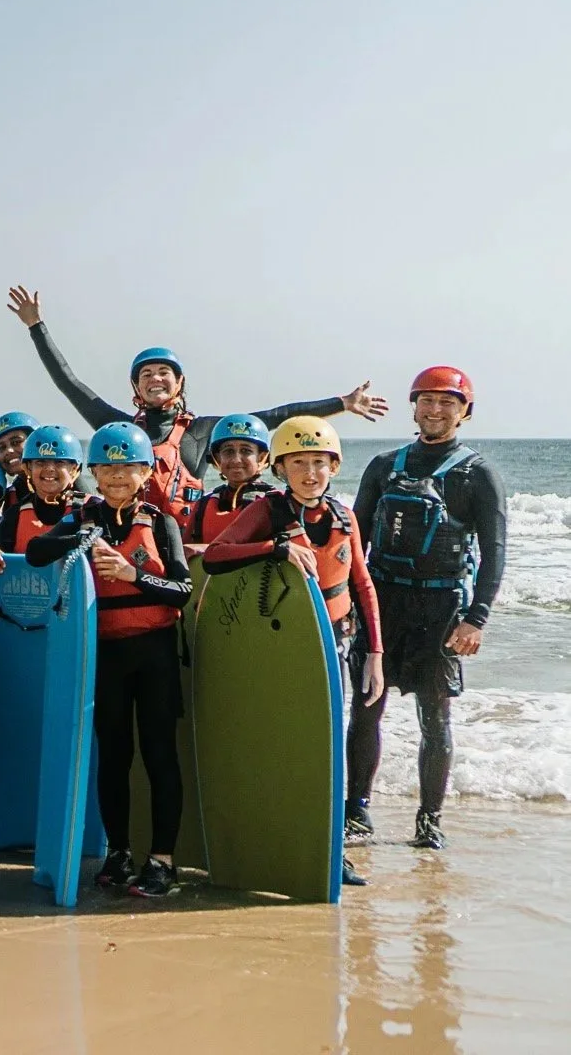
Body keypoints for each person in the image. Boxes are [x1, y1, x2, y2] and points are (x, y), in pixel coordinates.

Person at [4, 285, 388, 527]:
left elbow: (273, 416)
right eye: (146, 374)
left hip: (187, 548)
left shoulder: (203, 430)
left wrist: (343, 403)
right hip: (128, 539)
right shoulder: (119, 429)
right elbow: (70, 384)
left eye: (164, 372)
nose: (155, 379)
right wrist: (36, 327)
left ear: (179, 382)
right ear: (136, 386)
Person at [201, 416, 385, 887]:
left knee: (329, 747)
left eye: (319, 463)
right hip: (284, 645)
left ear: (333, 466)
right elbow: (216, 556)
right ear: (280, 467)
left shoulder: (345, 516)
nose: (310, 473)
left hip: (338, 642)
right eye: (298, 463)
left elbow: (362, 582)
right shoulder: (267, 509)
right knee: (284, 743)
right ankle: (270, 837)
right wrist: (274, 546)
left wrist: (376, 653)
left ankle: (331, 850)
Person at [25, 422, 193, 898]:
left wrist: (130, 572)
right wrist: (82, 538)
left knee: (160, 756)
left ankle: (162, 860)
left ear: (145, 472)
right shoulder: (83, 516)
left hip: (155, 654)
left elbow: (181, 590)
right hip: (106, 654)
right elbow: (37, 552)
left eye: (128, 468)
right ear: (94, 472)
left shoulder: (162, 523)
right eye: (108, 468)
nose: (118, 477)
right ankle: (118, 852)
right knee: (114, 757)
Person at [348, 367, 507, 849]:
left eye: (448, 402)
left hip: (441, 610)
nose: (436, 410)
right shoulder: (383, 465)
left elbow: (496, 550)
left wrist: (475, 618)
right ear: (413, 406)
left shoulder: (478, 474)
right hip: (383, 604)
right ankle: (357, 811)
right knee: (365, 711)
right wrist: (351, 604)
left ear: (465, 412)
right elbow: (353, 540)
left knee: (435, 720)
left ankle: (429, 818)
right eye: (427, 401)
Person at [183, 414, 277, 553]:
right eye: (228, 451)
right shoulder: (202, 506)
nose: (236, 459)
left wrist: (208, 550)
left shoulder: (276, 504)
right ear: (217, 459)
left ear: (262, 457)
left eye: (246, 451)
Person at [0, 424, 87, 552]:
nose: (49, 468)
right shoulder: (12, 516)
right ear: (27, 468)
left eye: (59, 462)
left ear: (74, 469)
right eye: (40, 462)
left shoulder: (91, 509)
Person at [0, 411, 40, 507]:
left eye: (16, 442)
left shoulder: (68, 480)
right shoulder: (10, 497)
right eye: (2, 448)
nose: (9, 451)